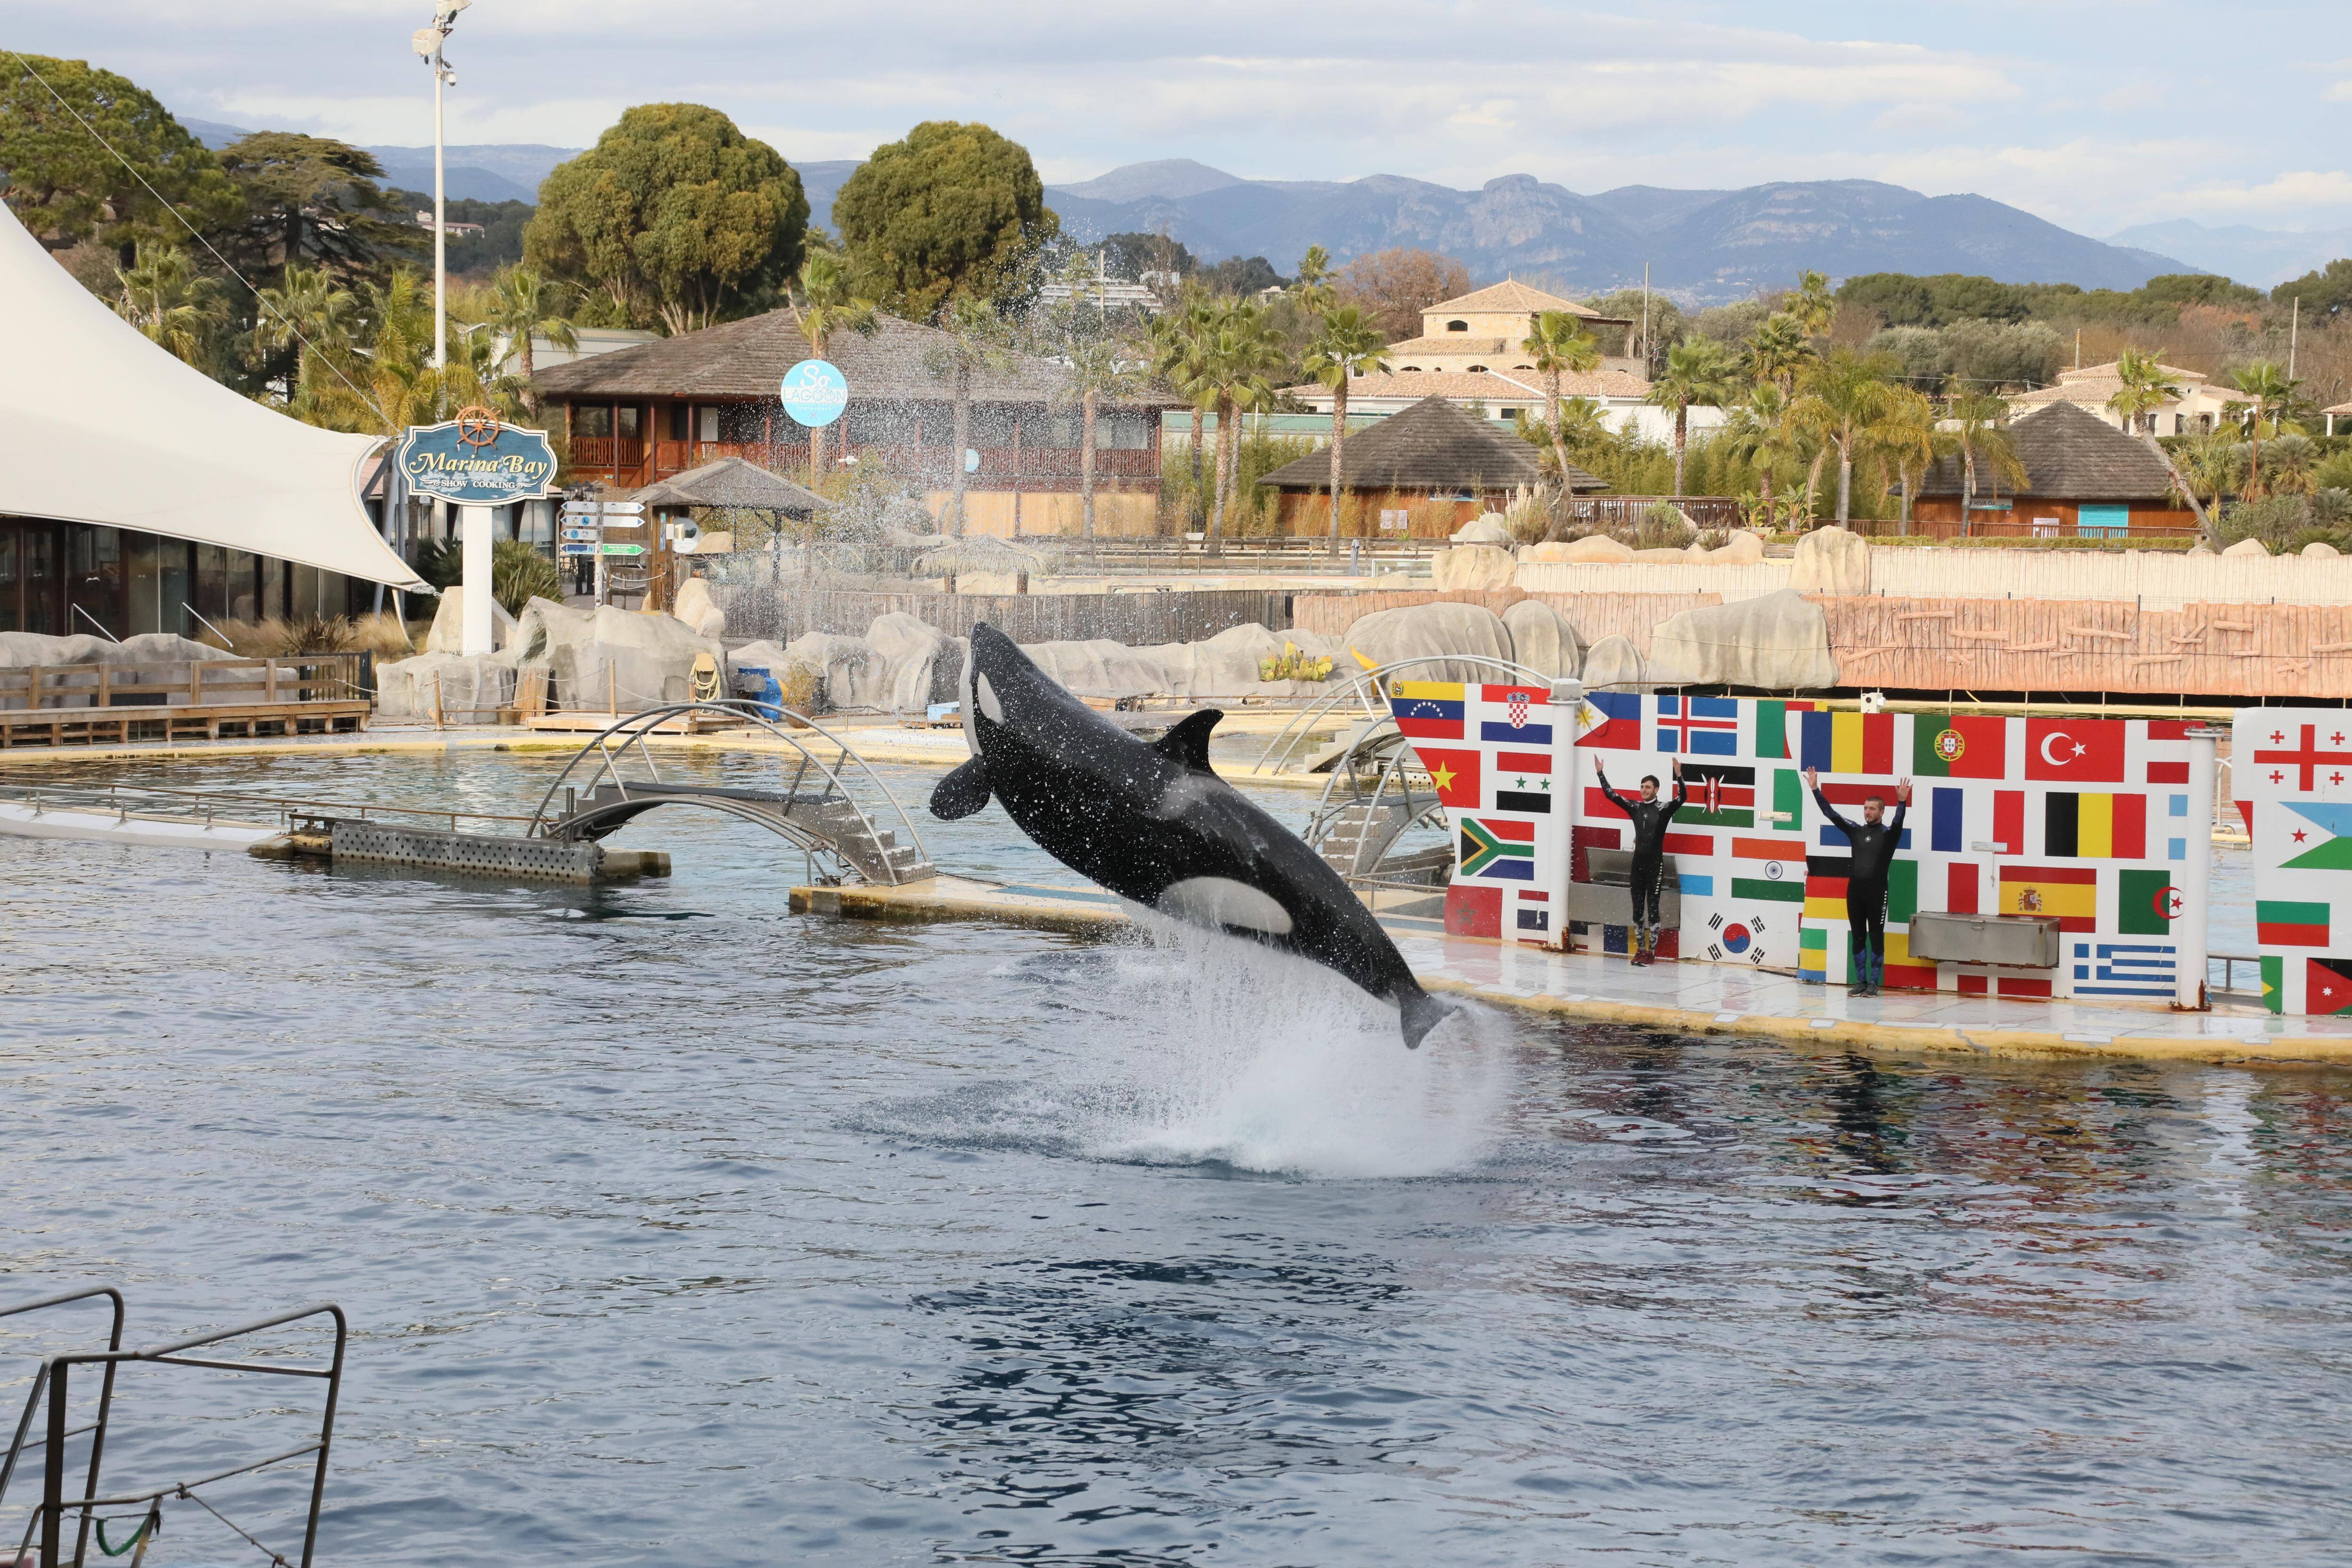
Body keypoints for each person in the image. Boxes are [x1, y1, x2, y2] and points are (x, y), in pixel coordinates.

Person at [1807, 767, 1912, 996]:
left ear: (1882, 812)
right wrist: (1815, 790)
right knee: (1858, 937)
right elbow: (1831, 814)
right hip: (1855, 892)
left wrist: (1902, 802)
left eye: (1872, 809)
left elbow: (1898, 822)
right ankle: (1860, 982)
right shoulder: (1855, 831)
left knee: (1875, 936)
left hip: (1877, 893)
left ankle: (1874, 983)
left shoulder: (1888, 835)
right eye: (1865, 808)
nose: (1867, 812)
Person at [1594, 757, 1684, 966]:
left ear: (1656, 789)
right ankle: (1640, 950)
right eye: (1642, 787)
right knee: (1637, 910)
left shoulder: (1663, 809)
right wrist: (1600, 773)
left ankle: (1652, 953)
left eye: (1648, 787)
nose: (1644, 790)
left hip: (1655, 866)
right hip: (1638, 865)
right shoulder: (1635, 807)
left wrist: (1679, 776)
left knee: (1653, 908)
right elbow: (1611, 795)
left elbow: (1683, 798)